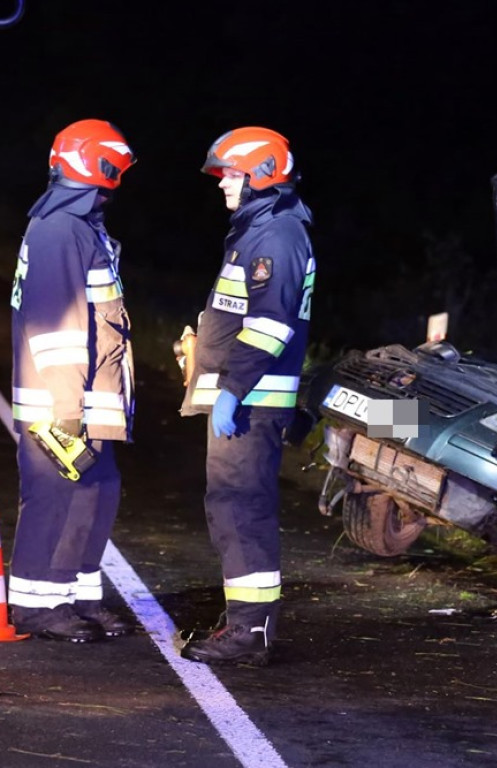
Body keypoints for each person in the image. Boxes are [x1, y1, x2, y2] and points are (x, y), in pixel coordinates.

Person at [178, 126, 316, 666]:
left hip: (251, 403)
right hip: (248, 398)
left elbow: (268, 328)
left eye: (231, 174)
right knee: (235, 509)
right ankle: (247, 625)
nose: (222, 185)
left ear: (261, 175)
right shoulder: (263, 231)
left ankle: (249, 632)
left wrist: (232, 391)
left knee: (241, 511)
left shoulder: (275, 237)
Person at [8, 119, 137, 642]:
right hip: (59, 398)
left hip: (87, 397)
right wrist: (67, 407)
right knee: (53, 496)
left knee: (96, 491)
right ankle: (37, 604)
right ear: (100, 166)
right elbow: (55, 324)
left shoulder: (78, 225)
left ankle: (78, 597)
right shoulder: (60, 229)